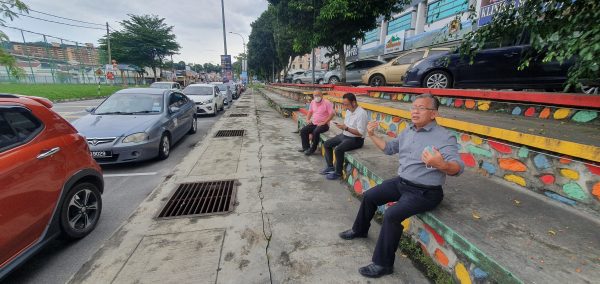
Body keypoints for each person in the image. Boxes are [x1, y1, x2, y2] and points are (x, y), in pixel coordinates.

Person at [338, 94, 464, 278]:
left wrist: (442, 165)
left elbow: (458, 168)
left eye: (421, 108)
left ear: (433, 114)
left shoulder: (444, 137)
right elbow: (389, 149)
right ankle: (360, 230)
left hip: (425, 192)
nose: (415, 111)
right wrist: (371, 135)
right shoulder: (408, 131)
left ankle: (383, 264)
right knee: (370, 196)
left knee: (392, 215)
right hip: (401, 182)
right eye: (413, 107)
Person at [320, 93, 368, 180]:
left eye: (347, 105)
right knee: (327, 144)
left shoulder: (362, 114)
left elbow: (360, 133)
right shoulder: (349, 111)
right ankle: (330, 167)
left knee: (338, 150)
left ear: (353, 102)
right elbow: (347, 126)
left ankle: (338, 173)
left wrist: (346, 128)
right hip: (345, 135)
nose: (345, 107)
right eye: (344, 104)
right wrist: (342, 126)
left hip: (356, 139)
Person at [298, 91, 335, 155]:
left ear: (322, 95)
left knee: (316, 131)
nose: (317, 97)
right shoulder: (312, 102)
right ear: (313, 96)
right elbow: (310, 112)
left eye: (318, 95)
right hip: (314, 123)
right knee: (303, 130)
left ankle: (313, 149)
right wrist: (307, 119)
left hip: (324, 124)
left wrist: (324, 122)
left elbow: (332, 114)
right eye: (315, 95)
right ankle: (306, 148)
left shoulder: (327, 103)